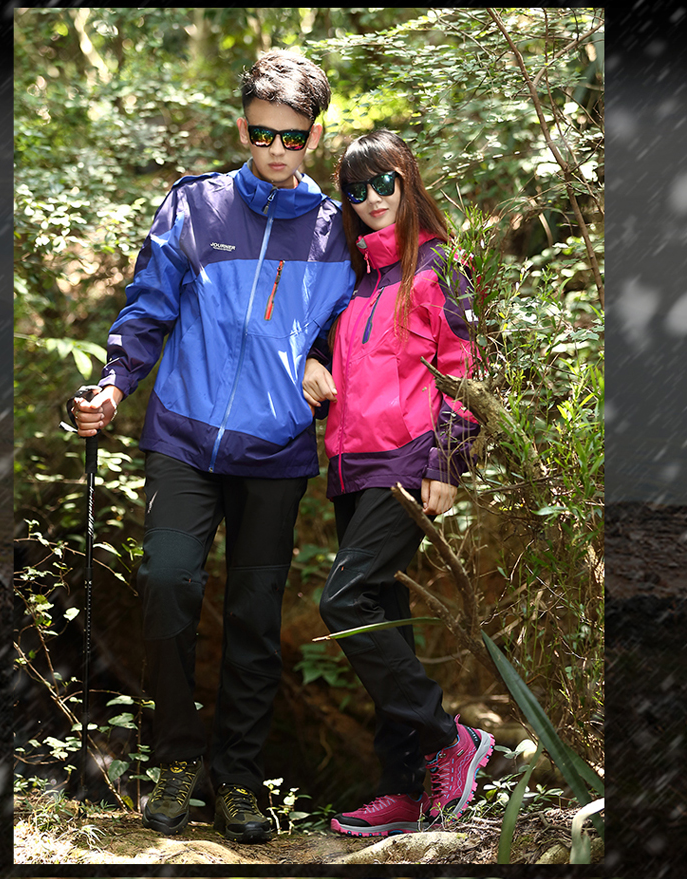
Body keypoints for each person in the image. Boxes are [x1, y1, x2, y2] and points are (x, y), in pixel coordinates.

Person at [70, 49, 355, 843]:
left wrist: (320, 357)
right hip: (182, 438)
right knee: (166, 580)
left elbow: (349, 325)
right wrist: (113, 385)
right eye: (263, 133)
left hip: (277, 451)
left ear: (316, 136)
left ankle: (238, 780)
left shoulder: (336, 231)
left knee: (255, 615)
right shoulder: (194, 206)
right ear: (243, 128)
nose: (276, 149)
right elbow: (146, 309)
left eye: (292, 137)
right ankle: (175, 761)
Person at [303, 129, 494, 837]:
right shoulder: (355, 281)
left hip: (409, 463)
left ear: (408, 180)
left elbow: (467, 370)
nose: (372, 198)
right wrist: (311, 363)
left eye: (384, 182)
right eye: (356, 189)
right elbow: (329, 357)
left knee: (344, 600)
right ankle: (405, 787)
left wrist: (448, 461)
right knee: (386, 622)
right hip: (351, 468)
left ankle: (449, 737)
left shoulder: (441, 267)